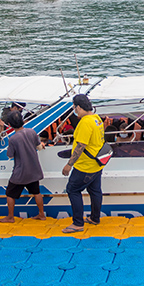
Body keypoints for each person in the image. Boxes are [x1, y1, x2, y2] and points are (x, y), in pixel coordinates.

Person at [62, 94, 105, 233]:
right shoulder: (96, 118)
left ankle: (78, 223)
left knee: (73, 190)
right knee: (95, 191)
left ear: (78, 107)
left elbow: (81, 145)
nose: (74, 110)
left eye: (74, 108)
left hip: (85, 166)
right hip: (97, 163)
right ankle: (94, 217)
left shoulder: (85, 122)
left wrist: (69, 164)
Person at [0, 111, 46, 223]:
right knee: (36, 192)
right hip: (34, 170)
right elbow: (39, 147)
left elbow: (10, 155)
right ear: (22, 120)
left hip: (20, 172)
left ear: (10, 124)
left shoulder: (13, 139)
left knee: (10, 194)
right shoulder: (32, 132)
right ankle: (41, 214)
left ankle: (10, 217)